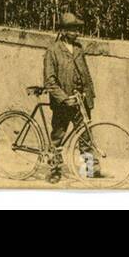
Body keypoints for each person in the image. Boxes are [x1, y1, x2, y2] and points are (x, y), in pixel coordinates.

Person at [43, 12, 97, 182]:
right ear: (64, 31)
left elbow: (85, 73)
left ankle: (88, 169)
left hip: (80, 101)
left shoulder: (79, 49)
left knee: (85, 135)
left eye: (78, 29)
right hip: (63, 103)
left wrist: (89, 95)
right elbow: (50, 81)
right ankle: (54, 170)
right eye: (73, 29)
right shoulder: (53, 51)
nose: (77, 33)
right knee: (58, 136)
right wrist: (64, 98)